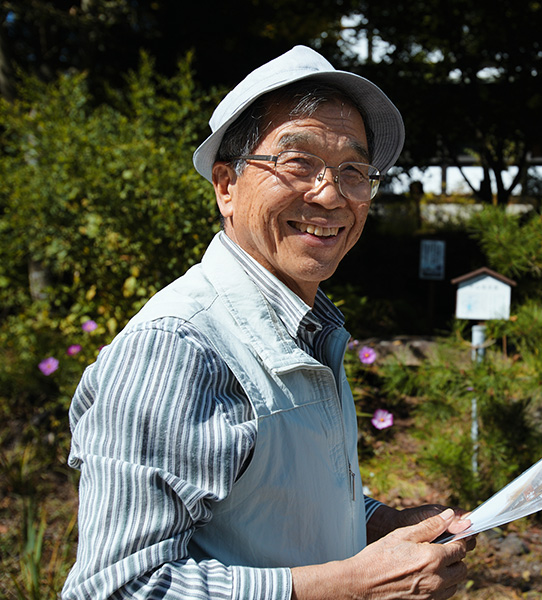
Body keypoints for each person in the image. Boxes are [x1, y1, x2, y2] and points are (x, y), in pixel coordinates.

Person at [62, 45, 475, 600]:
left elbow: (264, 502)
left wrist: (377, 522)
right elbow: (116, 589)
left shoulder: (304, 326)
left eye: (353, 170)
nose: (330, 195)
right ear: (226, 186)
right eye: (297, 162)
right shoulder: (178, 347)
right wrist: (355, 585)